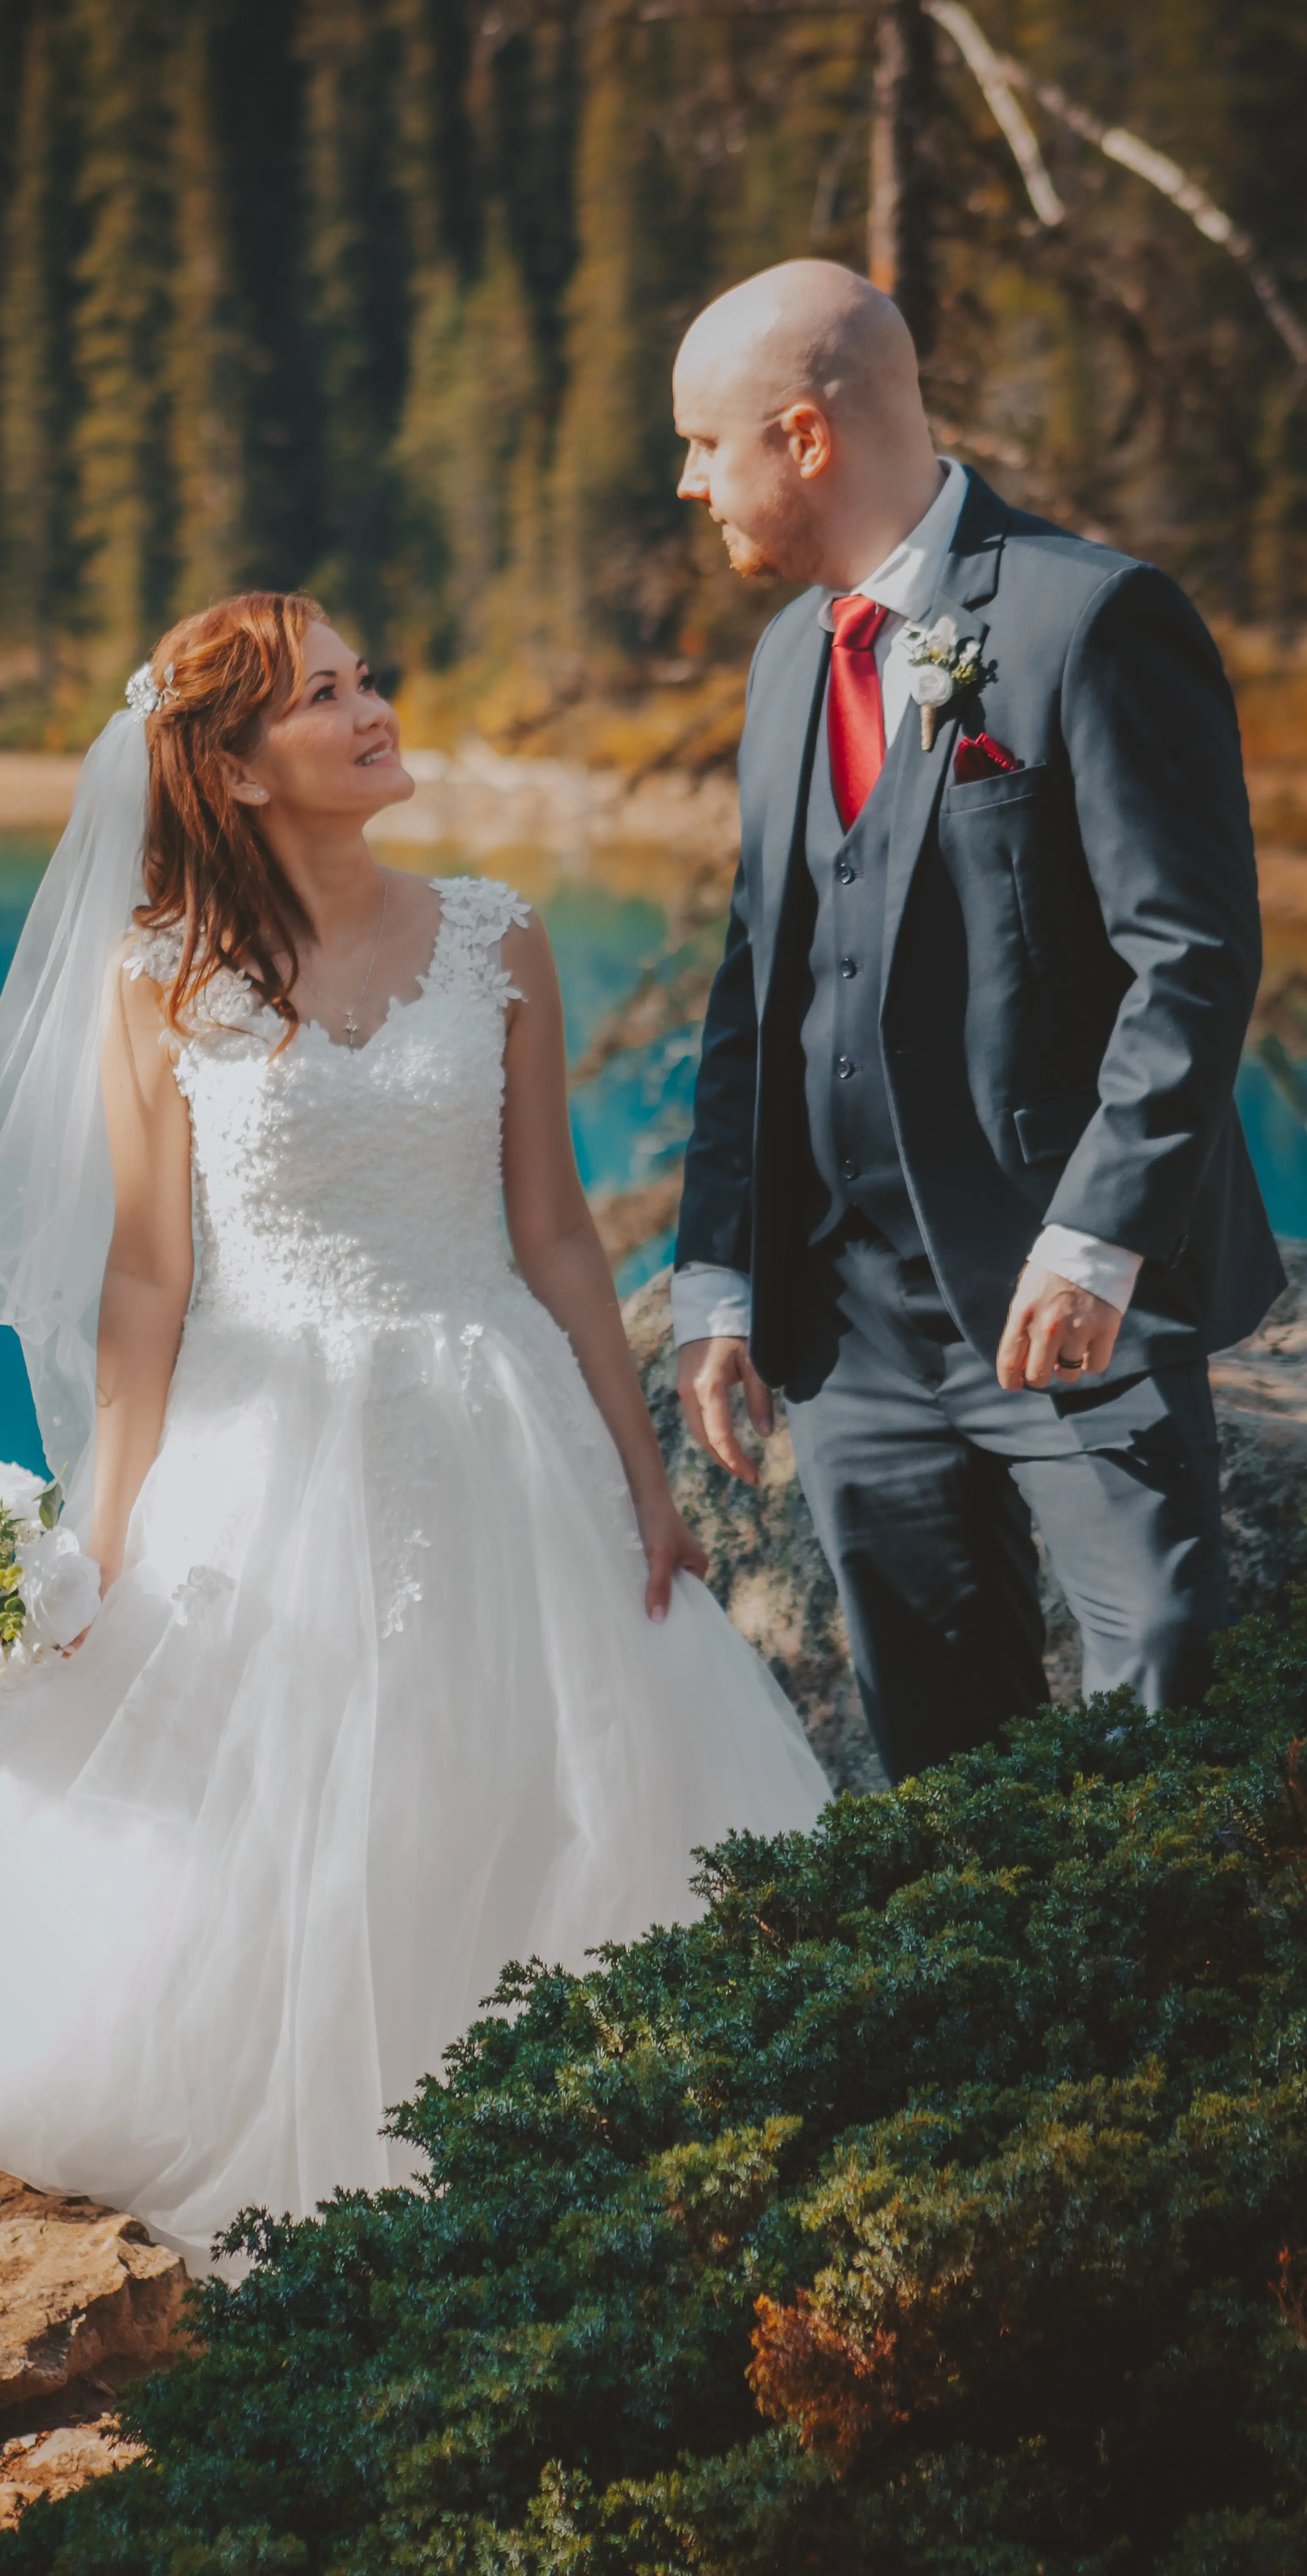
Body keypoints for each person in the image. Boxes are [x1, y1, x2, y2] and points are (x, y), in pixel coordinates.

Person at [0, 593, 826, 2271]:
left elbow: (548, 1233)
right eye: (326, 696)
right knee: (251, 1799)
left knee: (549, 1763)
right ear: (235, 771)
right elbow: (152, 1277)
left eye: (367, 675)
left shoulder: (496, 932)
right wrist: (99, 1530)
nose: (375, 707)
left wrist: (639, 1475)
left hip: (495, 1414)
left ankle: (549, 2120)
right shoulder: (162, 978)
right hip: (266, 1443)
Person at [670, 259, 1281, 1785]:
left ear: (804, 438)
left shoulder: (1097, 617)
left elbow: (1193, 962)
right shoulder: (787, 661)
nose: (689, 483)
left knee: (1159, 1737)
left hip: (1074, 1312)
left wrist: (1096, 1241)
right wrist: (720, 1278)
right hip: (855, 1336)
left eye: (703, 444)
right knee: (940, 1775)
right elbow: (759, 991)